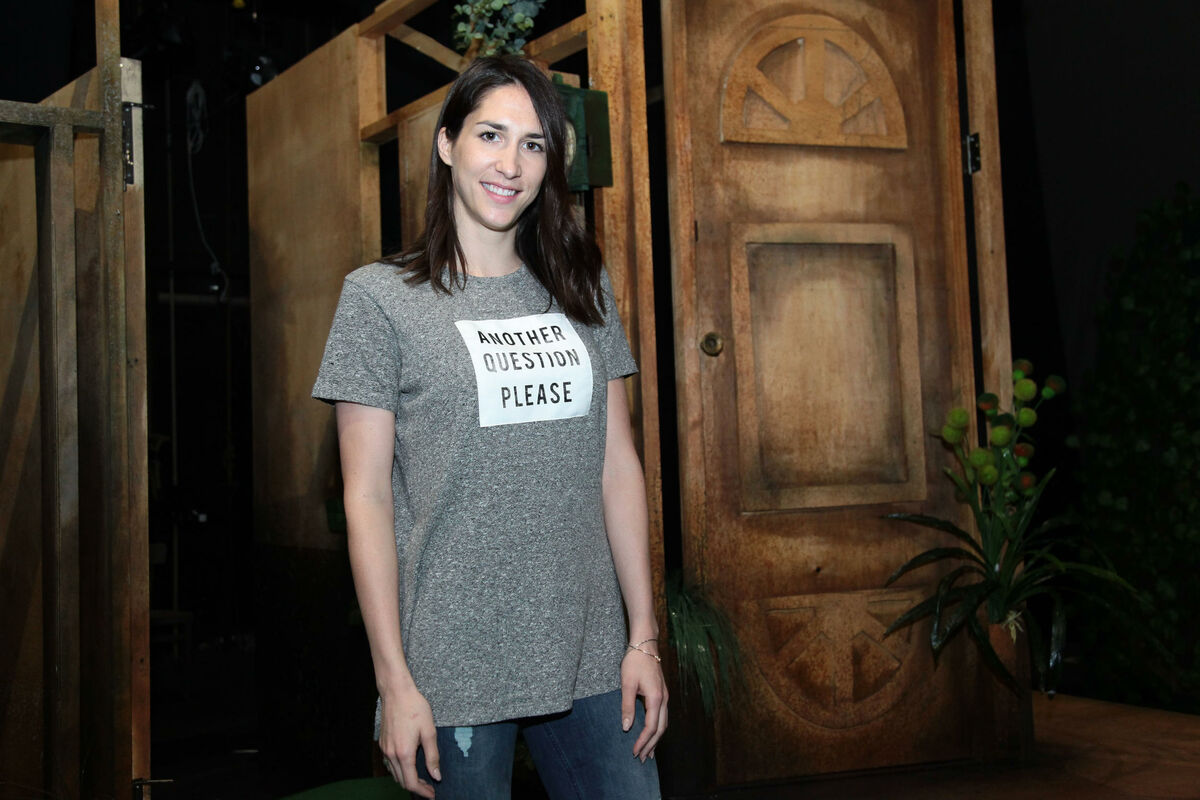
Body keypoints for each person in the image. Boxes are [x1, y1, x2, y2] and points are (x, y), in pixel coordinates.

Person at [312, 55, 666, 799]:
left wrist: (643, 638)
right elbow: (365, 499)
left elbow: (618, 465)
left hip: (591, 654)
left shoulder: (581, 283)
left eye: (533, 144)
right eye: (490, 135)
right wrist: (394, 681)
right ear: (447, 144)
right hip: (450, 669)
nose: (511, 164)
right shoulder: (380, 299)